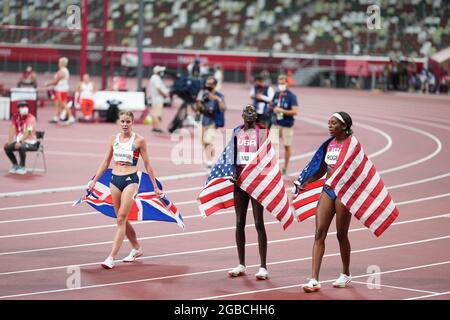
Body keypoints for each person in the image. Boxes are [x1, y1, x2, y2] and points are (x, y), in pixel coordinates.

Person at [87, 111, 163, 269]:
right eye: (122, 121)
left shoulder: (139, 141)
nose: (125, 124)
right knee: (121, 218)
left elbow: (148, 164)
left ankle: (111, 257)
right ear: (119, 122)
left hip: (130, 180)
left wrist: (155, 186)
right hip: (114, 180)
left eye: (128, 121)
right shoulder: (112, 139)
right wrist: (94, 181)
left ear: (132, 122)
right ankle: (136, 248)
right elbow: (105, 162)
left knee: (121, 218)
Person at [228, 105, 270, 280]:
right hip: (239, 182)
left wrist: (259, 176)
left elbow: (268, 157)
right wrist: (233, 173)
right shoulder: (236, 131)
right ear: (242, 115)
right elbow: (231, 155)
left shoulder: (264, 132)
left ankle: (263, 267)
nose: (250, 117)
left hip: (256, 182)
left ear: (256, 117)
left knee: (259, 223)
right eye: (247, 114)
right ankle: (241, 264)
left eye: (253, 114)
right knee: (239, 223)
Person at [195, 76, 226, 169]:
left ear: (215, 85)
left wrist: (217, 99)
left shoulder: (220, 95)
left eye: (210, 84)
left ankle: (209, 162)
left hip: (213, 122)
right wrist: (200, 102)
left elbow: (222, 108)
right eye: (207, 83)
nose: (208, 85)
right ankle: (211, 153)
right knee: (204, 143)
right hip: (203, 121)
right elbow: (198, 108)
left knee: (208, 141)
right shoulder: (203, 94)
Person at [271, 74, 298, 176]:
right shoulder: (276, 94)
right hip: (275, 124)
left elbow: (295, 111)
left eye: (283, 83)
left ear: (287, 83)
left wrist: (281, 110)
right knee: (271, 146)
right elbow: (271, 105)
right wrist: (272, 108)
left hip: (287, 125)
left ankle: (285, 167)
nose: (281, 85)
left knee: (287, 146)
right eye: (279, 83)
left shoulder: (292, 96)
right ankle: (273, 166)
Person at [3, 100, 39, 175]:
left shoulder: (31, 118)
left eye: (25, 106)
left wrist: (20, 141)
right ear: (18, 109)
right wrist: (9, 141)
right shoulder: (15, 117)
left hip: (31, 143)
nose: (24, 108)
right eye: (22, 106)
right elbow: (12, 128)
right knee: (7, 147)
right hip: (19, 141)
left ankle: (22, 167)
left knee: (21, 147)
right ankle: (15, 165)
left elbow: (28, 132)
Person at [45, 57, 75, 124]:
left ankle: (71, 117)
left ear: (61, 63)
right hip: (62, 89)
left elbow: (56, 81)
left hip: (61, 90)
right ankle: (56, 118)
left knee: (63, 103)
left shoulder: (62, 71)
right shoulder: (64, 70)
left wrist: (48, 83)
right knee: (59, 104)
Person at [147, 65, 170, 133]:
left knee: (155, 113)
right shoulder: (156, 78)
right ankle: (157, 128)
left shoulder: (154, 77)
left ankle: (155, 127)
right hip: (158, 99)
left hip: (156, 99)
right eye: (161, 71)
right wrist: (165, 94)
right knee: (156, 114)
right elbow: (158, 88)